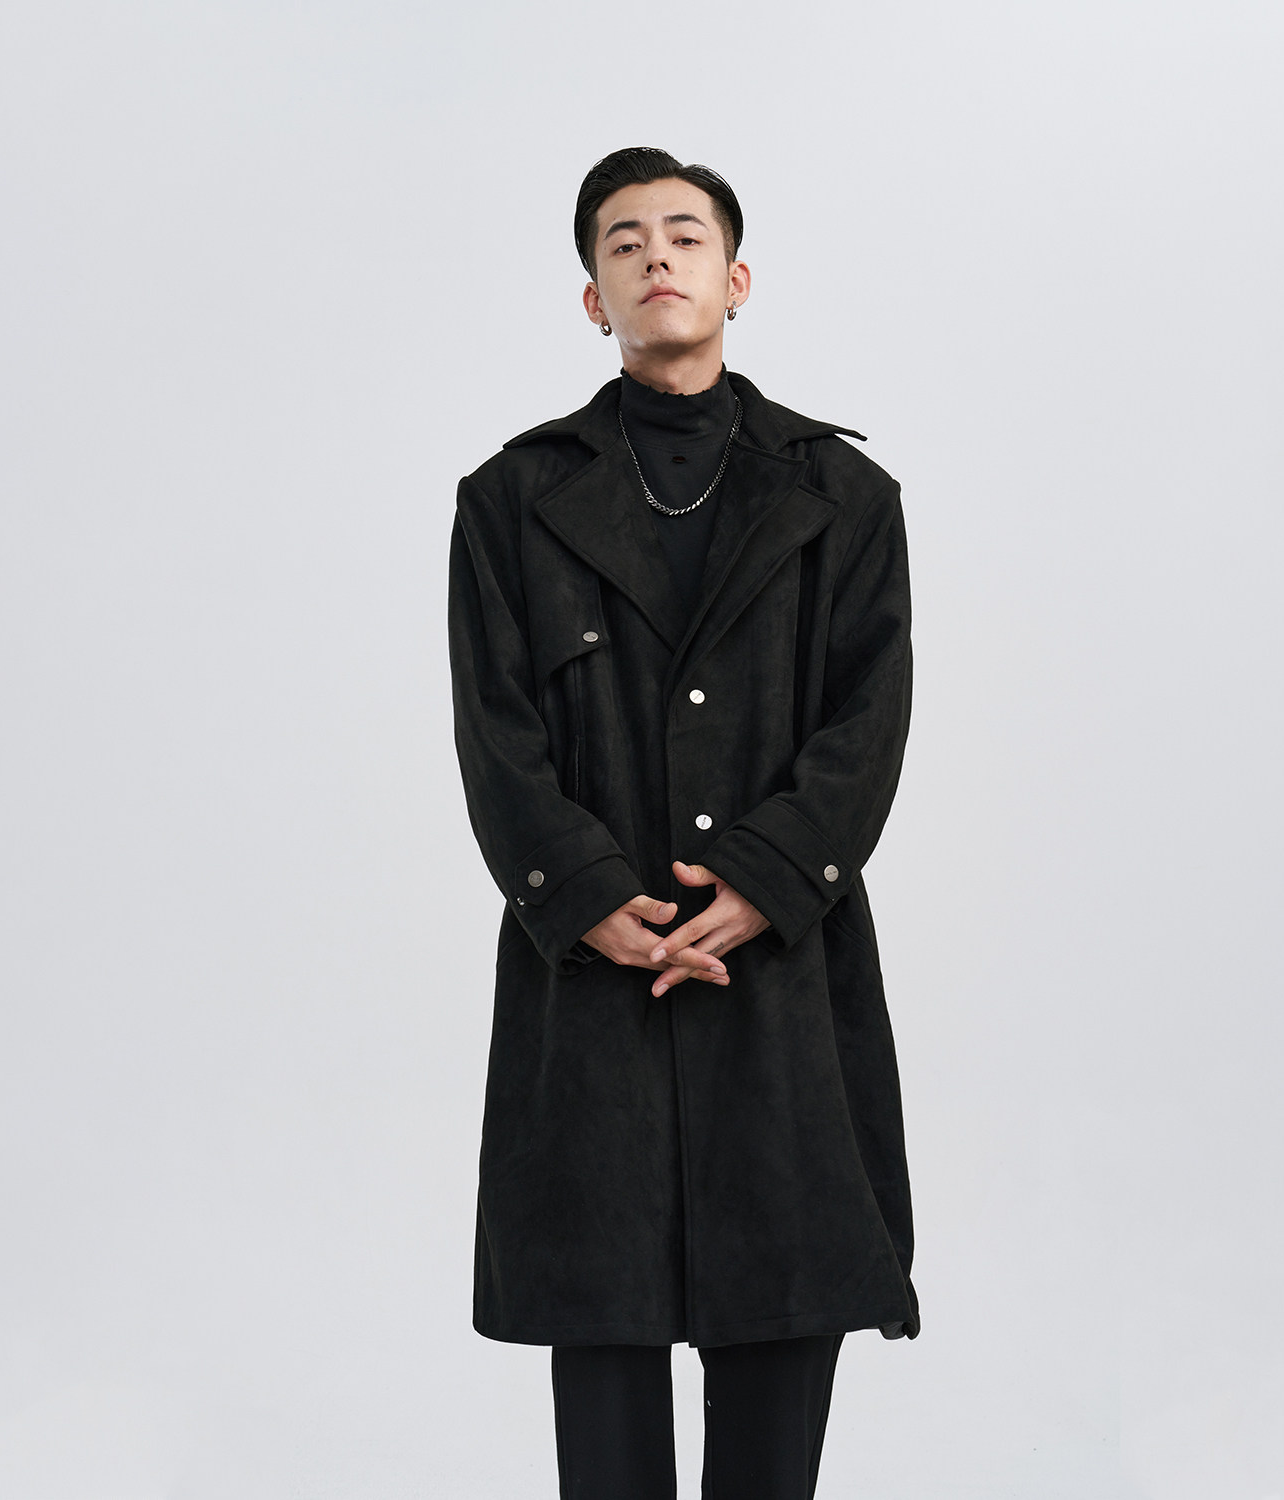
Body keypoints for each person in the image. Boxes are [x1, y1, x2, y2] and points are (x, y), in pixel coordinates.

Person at [447, 146, 919, 1499]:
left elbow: (869, 718)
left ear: (736, 278)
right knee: (602, 1337)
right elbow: (494, 730)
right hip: (591, 981)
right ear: (592, 297)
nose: (656, 256)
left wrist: (767, 878)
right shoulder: (511, 501)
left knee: (783, 1321)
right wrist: (586, 894)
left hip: (782, 977)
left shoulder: (845, 499)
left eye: (684, 235)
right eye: (623, 243)